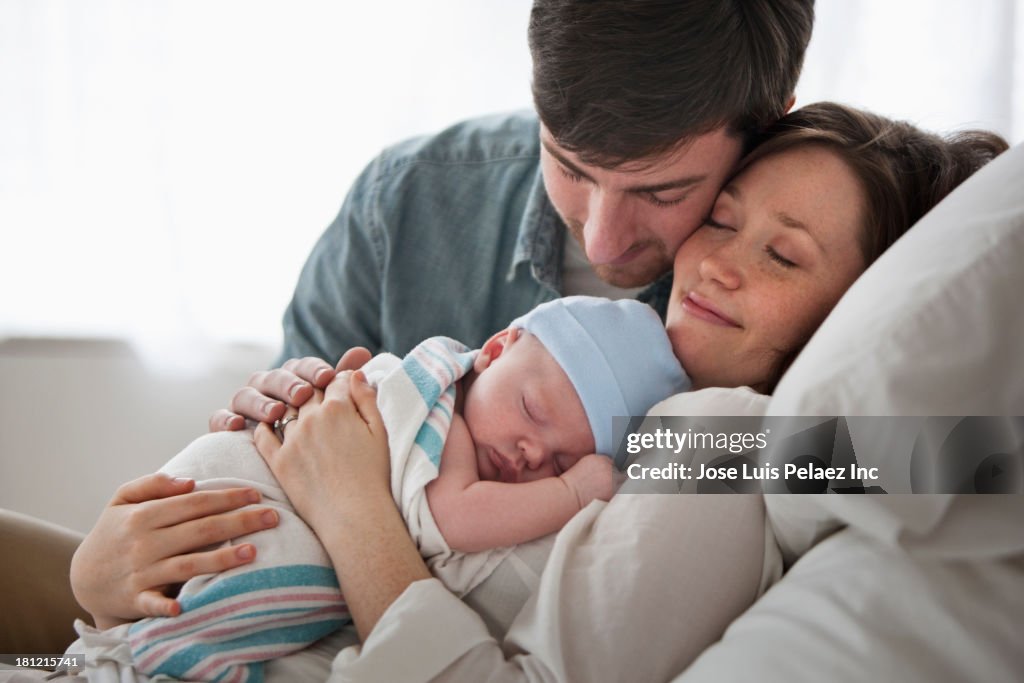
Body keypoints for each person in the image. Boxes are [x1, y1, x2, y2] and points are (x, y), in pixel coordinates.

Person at [67, 103, 1008, 682]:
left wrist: (355, 503)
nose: (714, 262)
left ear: (858, 309)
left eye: (782, 254)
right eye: (721, 218)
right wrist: (103, 577)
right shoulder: (640, 394)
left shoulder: (718, 433)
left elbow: (960, 459)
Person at [114, 297, 687, 682]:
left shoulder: (742, 443)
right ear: (493, 350)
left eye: (561, 456)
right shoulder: (443, 409)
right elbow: (453, 518)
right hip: (242, 491)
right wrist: (569, 488)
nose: (533, 453)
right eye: (531, 410)